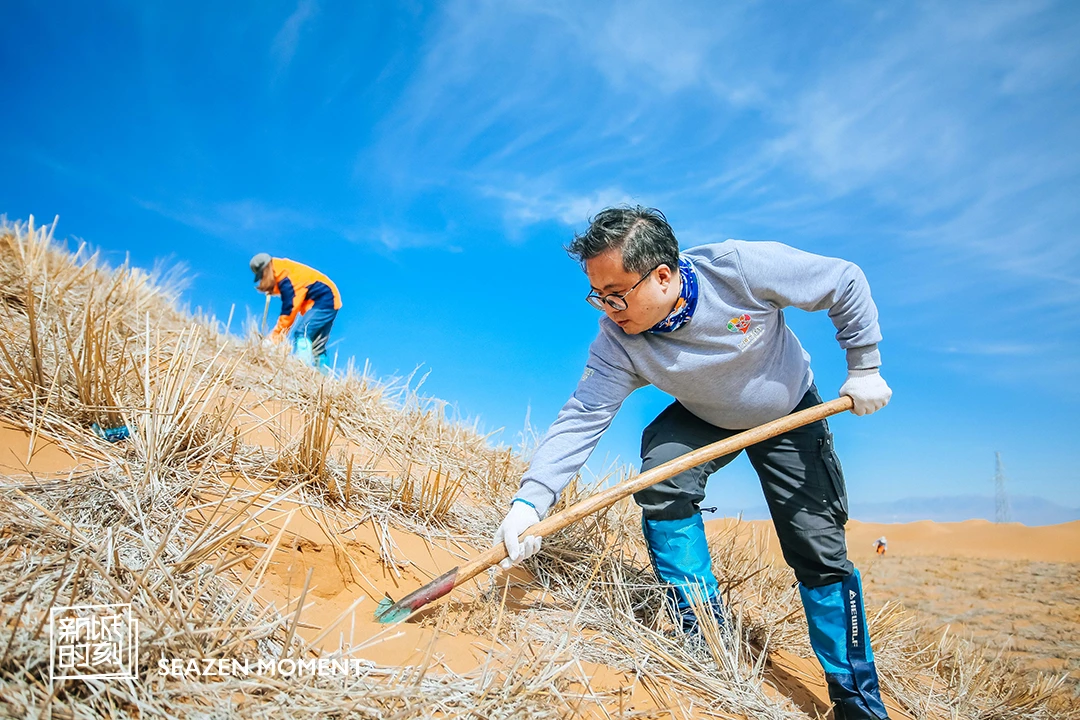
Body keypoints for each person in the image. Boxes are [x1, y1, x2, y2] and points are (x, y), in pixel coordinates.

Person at [492, 206, 893, 720]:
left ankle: (856, 699)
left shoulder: (738, 269)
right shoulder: (619, 341)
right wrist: (530, 502)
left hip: (788, 408)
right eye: (598, 295)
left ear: (662, 275)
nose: (608, 308)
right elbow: (585, 413)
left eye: (617, 294)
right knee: (662, 477)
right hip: (706, 417)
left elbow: (843, 280)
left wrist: (865, 365)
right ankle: (704, 641)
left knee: (817, 548)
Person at [250, 253, 342, 369]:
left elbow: (289, 310)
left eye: (262, 276)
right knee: (317, 344)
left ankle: (302, 368)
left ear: (266, 270)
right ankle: (323, 376)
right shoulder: (284, 271)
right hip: (329, 299)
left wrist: (274, 338)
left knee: (302, 332)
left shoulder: (287, 278)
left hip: (325, 299)